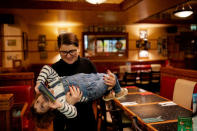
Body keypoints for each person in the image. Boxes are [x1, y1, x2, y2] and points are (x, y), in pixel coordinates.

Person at [38, 32, 117, 131]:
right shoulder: (53, 70)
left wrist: (111, 84)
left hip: (87, 120)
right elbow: (51, 106)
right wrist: (69, 104)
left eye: (72, 51)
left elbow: (99, 91)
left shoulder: (88, 64)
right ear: (59, 50)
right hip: (64, 123)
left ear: (78, 48)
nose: (68, 55)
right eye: (63, 52)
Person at [31, 65, 128, 128]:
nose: (42, 101)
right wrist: (60, 105)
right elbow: (72, 113)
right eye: (42, 106)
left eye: (38, 102)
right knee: (112, 77)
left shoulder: (53, 82)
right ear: (50, 109)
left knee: (107, 76)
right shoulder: (59, 103)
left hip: (88, 78)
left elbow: (46, 69)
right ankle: (118, 92)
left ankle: (107, 93)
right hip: (91, 91)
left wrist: (39, 81)